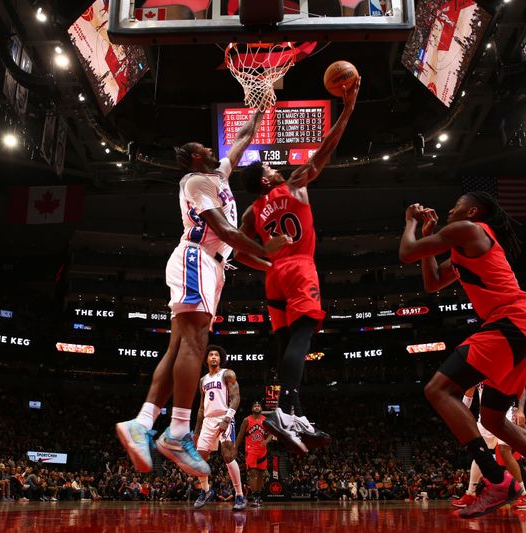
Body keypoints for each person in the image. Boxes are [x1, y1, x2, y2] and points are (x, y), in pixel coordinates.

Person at [116, 110, 292, 478]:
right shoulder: (195, 181)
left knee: (181, 346)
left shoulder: (219, 175)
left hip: (210, 266)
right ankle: (178, 432)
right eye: (204, 146)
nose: (214, 147)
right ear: (195, 156)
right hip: (196, 258)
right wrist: (268, 249)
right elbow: (227, 233)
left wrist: (260, 108)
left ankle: (143, 422)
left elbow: (242, 139)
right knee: (194, 343)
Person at [398, 193, 526, 520]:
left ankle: (496, 480)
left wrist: (411, 223)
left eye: (456, 203)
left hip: (510, 322)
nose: (451, 208)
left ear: (472, 211)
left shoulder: (470, 229)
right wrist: (429, 239)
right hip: (525, 326)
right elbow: (432, 283)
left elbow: (406, 251)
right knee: (491, 419)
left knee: (437, 389)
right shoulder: (465, 244)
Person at [237, 78, 361, 453]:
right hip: (300, 267)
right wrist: (349, 109)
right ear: (265, 178)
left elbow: (238, 253)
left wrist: (265, 264)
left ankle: (297, 413)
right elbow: (327, 147)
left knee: (285, 345)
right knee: (304, 337)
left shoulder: (251, 212)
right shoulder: (293, 184)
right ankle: (285, 408)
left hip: (274, 276)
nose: (275, 167)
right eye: (269, 167)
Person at [452, 385, 526, 510]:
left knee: (504, 451)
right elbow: (469, 392)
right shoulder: (478, 370)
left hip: (505, 414)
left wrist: (520, 409)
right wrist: (461, 414)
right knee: (478, 451)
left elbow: (521, 386)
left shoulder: (503, 367)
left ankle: (524, 495)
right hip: (485, 416)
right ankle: (470, 494)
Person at [191, 345, 246, 511]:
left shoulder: (227, 373)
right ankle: (207, 491)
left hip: (224, 416)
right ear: (206, 359)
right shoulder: (203, 380)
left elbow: (236, 398)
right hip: (207, 420)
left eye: (216, 355)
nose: (213, 357)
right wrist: (197, 430)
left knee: (228, 455)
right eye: (210, 355)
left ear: (220, 359)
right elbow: (201, 408)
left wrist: (227, 418)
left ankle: (239, 495)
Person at [235, 401, 272, 507]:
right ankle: (254, 498)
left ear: (261, 408)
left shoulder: (266, 420)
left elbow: (270, 434)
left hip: (262, 451)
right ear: (252, 409)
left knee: (261, 474)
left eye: (258, 406)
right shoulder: (246, 420)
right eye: (255, 406)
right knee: (252, 473)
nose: (257, 407)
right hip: (250, 450)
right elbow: (240, 435)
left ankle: (258, 497)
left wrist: (266, 441)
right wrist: (235, 448)